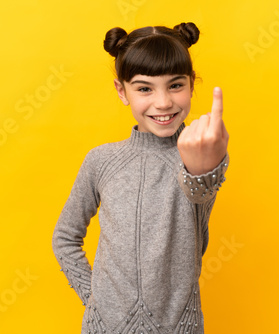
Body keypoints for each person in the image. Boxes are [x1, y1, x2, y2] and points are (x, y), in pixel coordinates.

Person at [52, 22, 230, 334]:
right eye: (145, 88)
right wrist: (94, 298)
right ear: (123, 91)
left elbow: (201, 195)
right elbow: (65, 237)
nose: (163, 102)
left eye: (175, 85)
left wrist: (206, 162)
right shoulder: (102, 160)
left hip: (180, 327)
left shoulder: (198, 152)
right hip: (104, 327)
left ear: (192, 84)